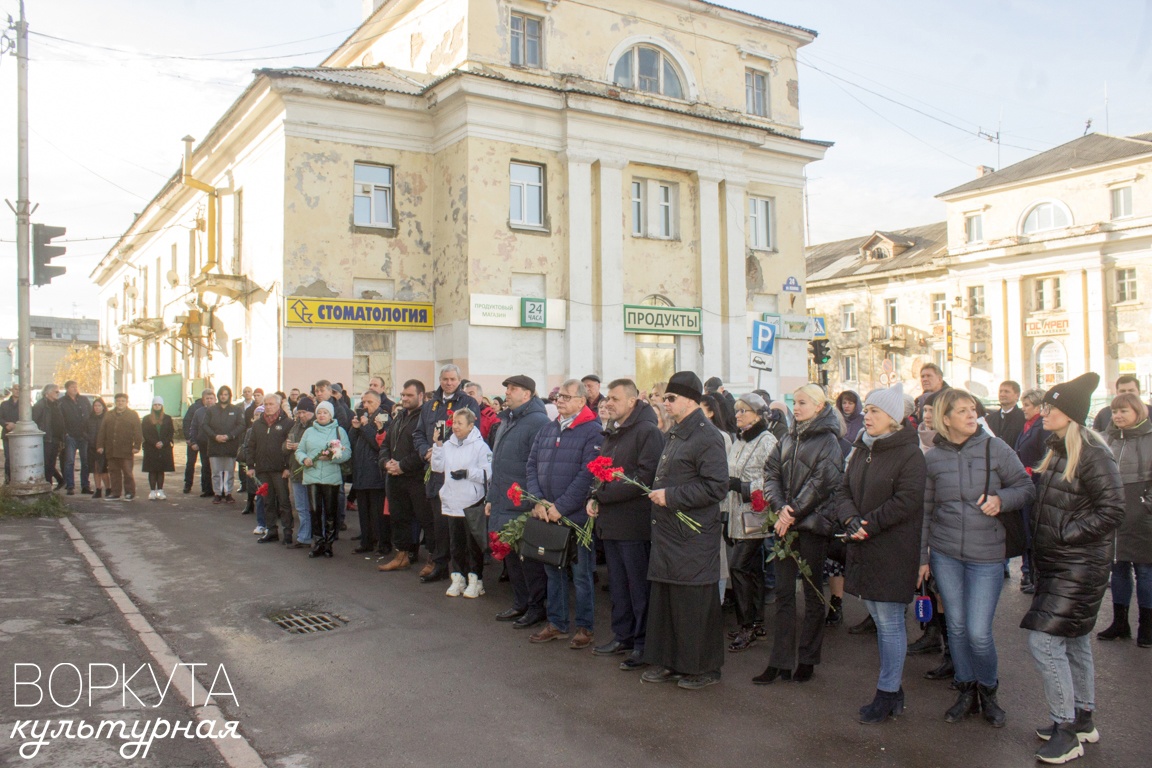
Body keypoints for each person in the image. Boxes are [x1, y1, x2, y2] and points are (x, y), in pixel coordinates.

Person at [1024, 372, 1124, 764]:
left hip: (1079, 564)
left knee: (1045, 642)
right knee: (1075, 639)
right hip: (1059, 563)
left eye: (1051, 407)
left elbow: (1113, 510)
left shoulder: (1093, 453)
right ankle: (1082, 718)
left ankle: (1065, 730)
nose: (1044, 412)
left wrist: (1067, 532)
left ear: (1071, 413)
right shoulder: (1057, 448)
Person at [920, 388, 1034, 727]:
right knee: (955, 627)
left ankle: (988, 690)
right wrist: (921, 557)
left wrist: (1002, 500)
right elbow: (925, 511)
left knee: (978, 632)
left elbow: (1026, 488)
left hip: (987, 555)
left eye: (974, 409)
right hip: (945, 554)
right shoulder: (932, 459)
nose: (972, 415)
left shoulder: (995, 448)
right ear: (946, 419)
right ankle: (966, 689)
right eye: (963, 411)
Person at [834, 384, 927, 723]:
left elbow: (907, 501)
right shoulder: (862, 448)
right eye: (867, 410)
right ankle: (894, 689)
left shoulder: (910, 454)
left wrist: (866, 525)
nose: (866, 416)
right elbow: (843, 489)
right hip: (863, 545)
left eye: (874, 411)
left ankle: (887, 694)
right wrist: (850, 518)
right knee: (877, 614)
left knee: (889, 623)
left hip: (892, 549)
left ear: (894, 418)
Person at [640, 371, 729, 690]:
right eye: (664, 398)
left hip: (692, 537)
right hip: (669, 532)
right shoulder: (677, 432)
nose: (664, 403)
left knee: (693, 603)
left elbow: (717, 487)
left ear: (690, 400)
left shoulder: (707, 435)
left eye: (670, 398)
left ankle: (703, 667)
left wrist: (671, 496)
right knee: (667, 600)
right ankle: (669, 661)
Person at [757, 384, 844, 684]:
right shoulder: (787, 437)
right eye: (795, 402)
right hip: (786, 523)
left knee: (812, 593)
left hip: (812, 527)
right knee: (783, 593)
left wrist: (790, 512)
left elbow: (823, 482)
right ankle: (779, 661)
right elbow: (771, 473)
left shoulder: (829, 441)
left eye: (803, 403)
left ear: (820, 407)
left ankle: (807, 658)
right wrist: (780, 507)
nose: (797, 408)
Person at [587, 378, 664, 671]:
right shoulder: (614, 432)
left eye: (615, 399)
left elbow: (646, 477)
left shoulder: (647, 432)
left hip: (634, 523)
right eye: (607, 398)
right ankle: (624, 635)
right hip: (612, 522)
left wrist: (604, 495)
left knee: (638, 587)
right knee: (618, 585)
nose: (607, 403)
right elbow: (600, 470)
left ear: (632, 401)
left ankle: (644, 644)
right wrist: (593, 495)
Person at [525, 379, 603, 648]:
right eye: (558, 397)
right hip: (547, 515)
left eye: (566, 397)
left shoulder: (593, 431)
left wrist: (561, 507)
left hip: (575, 517)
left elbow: (587, 475)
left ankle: (585, 627)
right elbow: (532, 464)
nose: (559, 401)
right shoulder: (548, 428)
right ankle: (557, 623)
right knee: (552, 570)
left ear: (582, 401)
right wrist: (538, 501)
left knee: (581, 574)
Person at [487, 375, 551, 629]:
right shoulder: (507, 419)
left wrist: (535, 499)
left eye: (513, 389)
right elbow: (498, 464)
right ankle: (520, 602)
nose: (508, 393)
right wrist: (492, 497)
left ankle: (537, 607)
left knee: (529, 560)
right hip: (504, 500)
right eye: (507, 389)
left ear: (528, 394)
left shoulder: (537, 422)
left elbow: (539, 466)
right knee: (512, 558)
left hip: (524, 503)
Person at [413, 364, 481, 584]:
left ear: (459, 381)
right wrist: (427, 451)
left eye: (452, 379)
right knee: (439, 523)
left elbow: (472, 434)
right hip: (435, 472)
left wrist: (448, 450)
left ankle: (465, 572)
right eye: (445, 379)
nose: (448, 383)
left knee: (461, 525)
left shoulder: (468, 403)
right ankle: (440, 565)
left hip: (459, 473)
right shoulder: (430, 405)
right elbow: (419, 434)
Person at [723, 393, 777, 652]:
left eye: (744, 411)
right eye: (737, 411)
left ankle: (747, 626)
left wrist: (744, 486)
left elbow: (774, 478)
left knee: (740, 568)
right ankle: (756, 623)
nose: (738, 415)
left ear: (758, 414)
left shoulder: (767, 441)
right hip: (735, 513)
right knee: (752, 570)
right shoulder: (740, 439)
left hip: (755, 514)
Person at [1100, 393, 1152, 646]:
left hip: (1142, 517)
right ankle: (1120, 623)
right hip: (1114, 514)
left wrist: (1146, 505)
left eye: (1124, 411)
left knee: (1144, 570)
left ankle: (1148, 627)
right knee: (1118, 569)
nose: (1118, 416)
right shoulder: (1106, 438)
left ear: (1137, 412)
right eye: (1115, 411)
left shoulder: (1150, 438)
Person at [431, 409, 492, 598]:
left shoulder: (480, 447)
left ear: (470, 425)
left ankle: (476, 580)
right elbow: (437, 466)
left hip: (471, 502)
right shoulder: (448, 445)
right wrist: (438, 444)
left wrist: (467, 473)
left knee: (472, 544)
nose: (455, 427)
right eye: (454, 423)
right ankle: (458, 578)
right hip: (452, 501)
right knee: (455, 544)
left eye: (460, 423)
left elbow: (487, 473)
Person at [379, 381, 434, 572]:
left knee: (426, 519)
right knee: (399, 518)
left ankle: (434, 560)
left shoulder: (427, 418)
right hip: (394, 477)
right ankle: (402, 555)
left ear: (421, 396)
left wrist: (402, 466)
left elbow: (424, 449)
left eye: (409, 395)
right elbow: (386, 444)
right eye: (403, 395)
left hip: (417, 478)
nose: (404, 398)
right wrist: (386, 463)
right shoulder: (399, 417)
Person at [295, 401, 351, 558]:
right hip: (311, 476)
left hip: (331, 477)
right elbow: (299, 450)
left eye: (325, 412)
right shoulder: (309, 432)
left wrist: (333, 457)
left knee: (330, 512)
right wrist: (304, 459)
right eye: (319, 412)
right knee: (314, 511)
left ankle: (328, 544)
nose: (321, 415)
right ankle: (318, 542)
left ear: (331, 415)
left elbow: (347, 453)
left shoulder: (339, 431)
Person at [242, 393, 294, 544]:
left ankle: (288, 531)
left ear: (278, 405)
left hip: (280, 470)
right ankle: (271, 531)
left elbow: (290, 448)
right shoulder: (258, 424)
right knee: (267, 501)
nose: (269, 407)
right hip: (263, 470)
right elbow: (251, 447)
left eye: (272, 404)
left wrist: (287, 467)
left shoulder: (287, 423)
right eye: (267, 404)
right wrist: (251, 466)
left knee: (283, 501)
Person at [349, 390, 389, 556]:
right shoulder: (363, 420)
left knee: (377, 513)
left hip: (375, 473)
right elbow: (350, 442)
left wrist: (365, 427)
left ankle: (382, 543)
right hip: (360, 471)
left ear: (378, 403)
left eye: (369, 402)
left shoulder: (383, 418)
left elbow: (379, 443)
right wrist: (355, 428)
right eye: (363, 402)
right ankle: (366, 541)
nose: (365, 405)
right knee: (363, 511)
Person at [199, 385, 246, 504]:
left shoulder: (236, 410)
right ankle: (218, 493)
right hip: (215, 446)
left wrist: (229, 436)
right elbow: (205, 425)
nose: (223, 396)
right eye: (221, 394)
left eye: (226, 394)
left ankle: (228, 493)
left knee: (229, 472)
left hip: (230, 445)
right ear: (218, 396)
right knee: (216, 472)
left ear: (229, 396)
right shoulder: (211, 410)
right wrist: (215, 436)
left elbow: (241, 425)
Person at [96, 393, 142, 500]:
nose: (120, 403)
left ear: (126, 402)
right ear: (115, 402)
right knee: (113, 472)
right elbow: (102, 431)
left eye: (122, 401)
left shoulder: (132, 414)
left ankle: (130, 492)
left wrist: (137, 446)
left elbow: (138, 431)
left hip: (126, 449)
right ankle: (115, 493)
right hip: (111, 449)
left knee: (127, 472)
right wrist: (100, 445)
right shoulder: (109, 414)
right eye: (118, 401)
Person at [286, 396, 316, 549]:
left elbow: (319, 447)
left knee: (315, 507)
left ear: (311, 412)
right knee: (301, 507)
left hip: (311, 471)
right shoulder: (296, 426)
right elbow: (284, 446)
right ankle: (304, 537)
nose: (301, 415)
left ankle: (317, 537)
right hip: (296, 471)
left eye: (304, 412)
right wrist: (287, 445)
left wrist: (299, 446)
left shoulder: (317, 426)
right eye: (299, 412)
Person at [58, 380, 92, 495]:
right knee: (69, 462)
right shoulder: (62, 402)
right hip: (70, 436)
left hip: (84, 436)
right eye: (72, 387)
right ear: (67, 389)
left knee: (85, 461)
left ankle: (85, 486)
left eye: (76, 387)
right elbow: (59, 419)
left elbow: (90, 415)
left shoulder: (83, 400)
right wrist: (65, 433)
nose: (75, 389)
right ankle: (70, 486)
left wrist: (88, 432)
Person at [31, 384, 66, 489]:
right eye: (56, 392)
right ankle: (48, 485)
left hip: (55, 438)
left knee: (51, 463)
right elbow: (34, 421)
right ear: (47, 393)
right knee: (46, 464)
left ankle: (56, 482)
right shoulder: (40, 405)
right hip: (46, 439)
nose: (58, 393)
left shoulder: (56, 404)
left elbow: (60, 421)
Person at [141, 397, 175, 500]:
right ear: (152, 406)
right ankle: (152, 491)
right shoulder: (146, 419)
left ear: (162, 406)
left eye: (159, 405)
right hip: (151, 448)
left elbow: (170, 433)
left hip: (164, 448)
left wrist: (163, 442)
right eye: (155, 405)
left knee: (161, 470)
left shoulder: (167, 418)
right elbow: (145, 433)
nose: (157, 406)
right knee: (152, 470)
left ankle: (160, 491)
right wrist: (154, 442)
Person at [187, 389, 216, 498]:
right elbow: (193, 427)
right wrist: (193, 441)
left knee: (216, 467)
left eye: (211, 398)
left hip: (217, 444)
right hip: (203, 443)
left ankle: (219, 490)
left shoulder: (219, 411)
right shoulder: (199, 412)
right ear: (204, 400)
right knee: (205, 466)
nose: (209, 401)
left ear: (215, 399)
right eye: (207, 399)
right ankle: (207, 489)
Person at [986, 381, 1026, 449]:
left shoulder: (1023, 418)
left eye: (1006, 391)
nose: (1002, 394)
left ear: (1017, 395)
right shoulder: (989, 419)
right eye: (1000, 391)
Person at [86, 398, 110, 498]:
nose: (97, 408)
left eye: (99, 406)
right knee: (95, 470)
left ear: (103, 407)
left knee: (103, 470)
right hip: (92, 447)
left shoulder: (107, 418)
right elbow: (84, 431)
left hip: (103, 448)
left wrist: (103, 445)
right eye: (95, 406)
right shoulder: (89, 418)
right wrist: (89, 439)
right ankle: (98, 489)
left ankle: (108, 489)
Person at [1, 385, 19, 483]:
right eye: (16, 389)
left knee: (19, 458)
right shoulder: (4, 404)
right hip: (7, 434)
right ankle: (8, 480)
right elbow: (0, 417)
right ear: (12, 390)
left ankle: (18, 479)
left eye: (20, 389)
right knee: (8, 458)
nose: (18, 391)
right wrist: (5, 424)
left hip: (19, 435)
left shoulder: (25, 405)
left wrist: (16, 425)